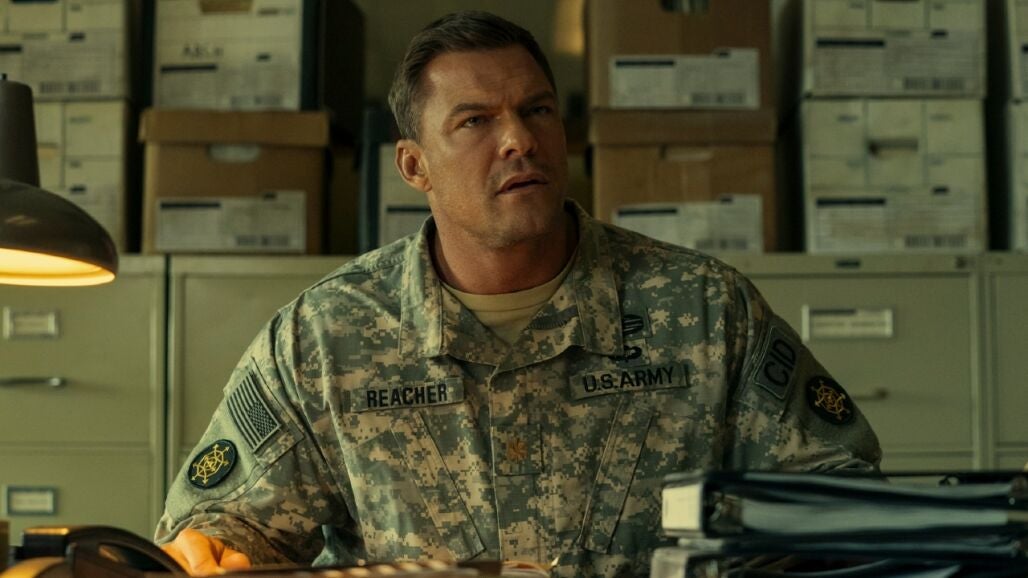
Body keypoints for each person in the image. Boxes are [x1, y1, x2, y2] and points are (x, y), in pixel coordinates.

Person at [155, 10, 882, 577]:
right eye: (476, 121)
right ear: (414, 166)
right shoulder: (325, 336)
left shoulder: (702, 309)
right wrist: (209, 551)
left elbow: (841, 500)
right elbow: (221, 531)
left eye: (537, 111)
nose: (519, 141)